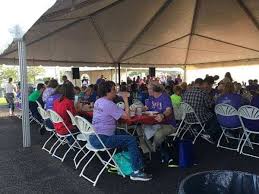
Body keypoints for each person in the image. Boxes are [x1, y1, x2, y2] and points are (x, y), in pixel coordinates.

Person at [89, 81, 152, 181]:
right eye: (114, 89)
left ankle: (131, 161)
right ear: (107, 92)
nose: (116, 91)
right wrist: (125, 99)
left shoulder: (98, 101)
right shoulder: (109, 104)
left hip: (93, 136)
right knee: (131, 139)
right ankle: (136, 171)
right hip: (103, 139)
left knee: (125, 134)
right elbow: (127, 116)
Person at [143, 82, 177, 166]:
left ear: (154, 89)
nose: (147, 90)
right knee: (140, 131)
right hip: (154, 123)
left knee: (158, 134)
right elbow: (146, 108)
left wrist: (163, 115)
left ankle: (153, 149)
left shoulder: (165, 97)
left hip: (168, 124)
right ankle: (149, 150)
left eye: (149, 89)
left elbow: (168, 110)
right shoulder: (151, 98)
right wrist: (138, 109)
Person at [183, 78, 220, 143]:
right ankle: (208, 133)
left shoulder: (186, 92)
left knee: (206, 113)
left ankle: (197, 128)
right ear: (201, 84)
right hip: (200, 118)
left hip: (187, 118)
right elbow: (210, 105)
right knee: (217, 117)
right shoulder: (203, 93)